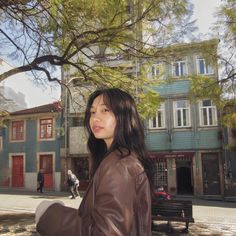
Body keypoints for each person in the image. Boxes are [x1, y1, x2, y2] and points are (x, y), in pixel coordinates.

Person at [35, 88, 154, 236]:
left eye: (105, 110)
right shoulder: (122, 159)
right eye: (92, 112)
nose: (95, 118)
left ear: (125, 116)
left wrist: (49, 214)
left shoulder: (120, 164)